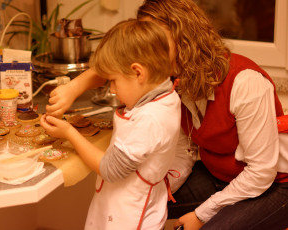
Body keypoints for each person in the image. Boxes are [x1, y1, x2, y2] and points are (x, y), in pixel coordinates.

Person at [45, 0, 288, 229]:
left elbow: (260, 173)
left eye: (155, 40)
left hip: (273, 186)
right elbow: (184, 151)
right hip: (221, 177)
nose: (146, 50)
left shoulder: (246, 83)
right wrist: (151, 190)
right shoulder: (171, 82)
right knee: (139, 201)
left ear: (183, 35)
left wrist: (201, 215)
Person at [41, 19, 181, 229]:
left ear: (138, 73)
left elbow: (109, 169)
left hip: (130, 217)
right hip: (124, 203)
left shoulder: (150, 120)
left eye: (114, 80)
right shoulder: (165, 95)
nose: (112, 90)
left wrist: (69, 133)